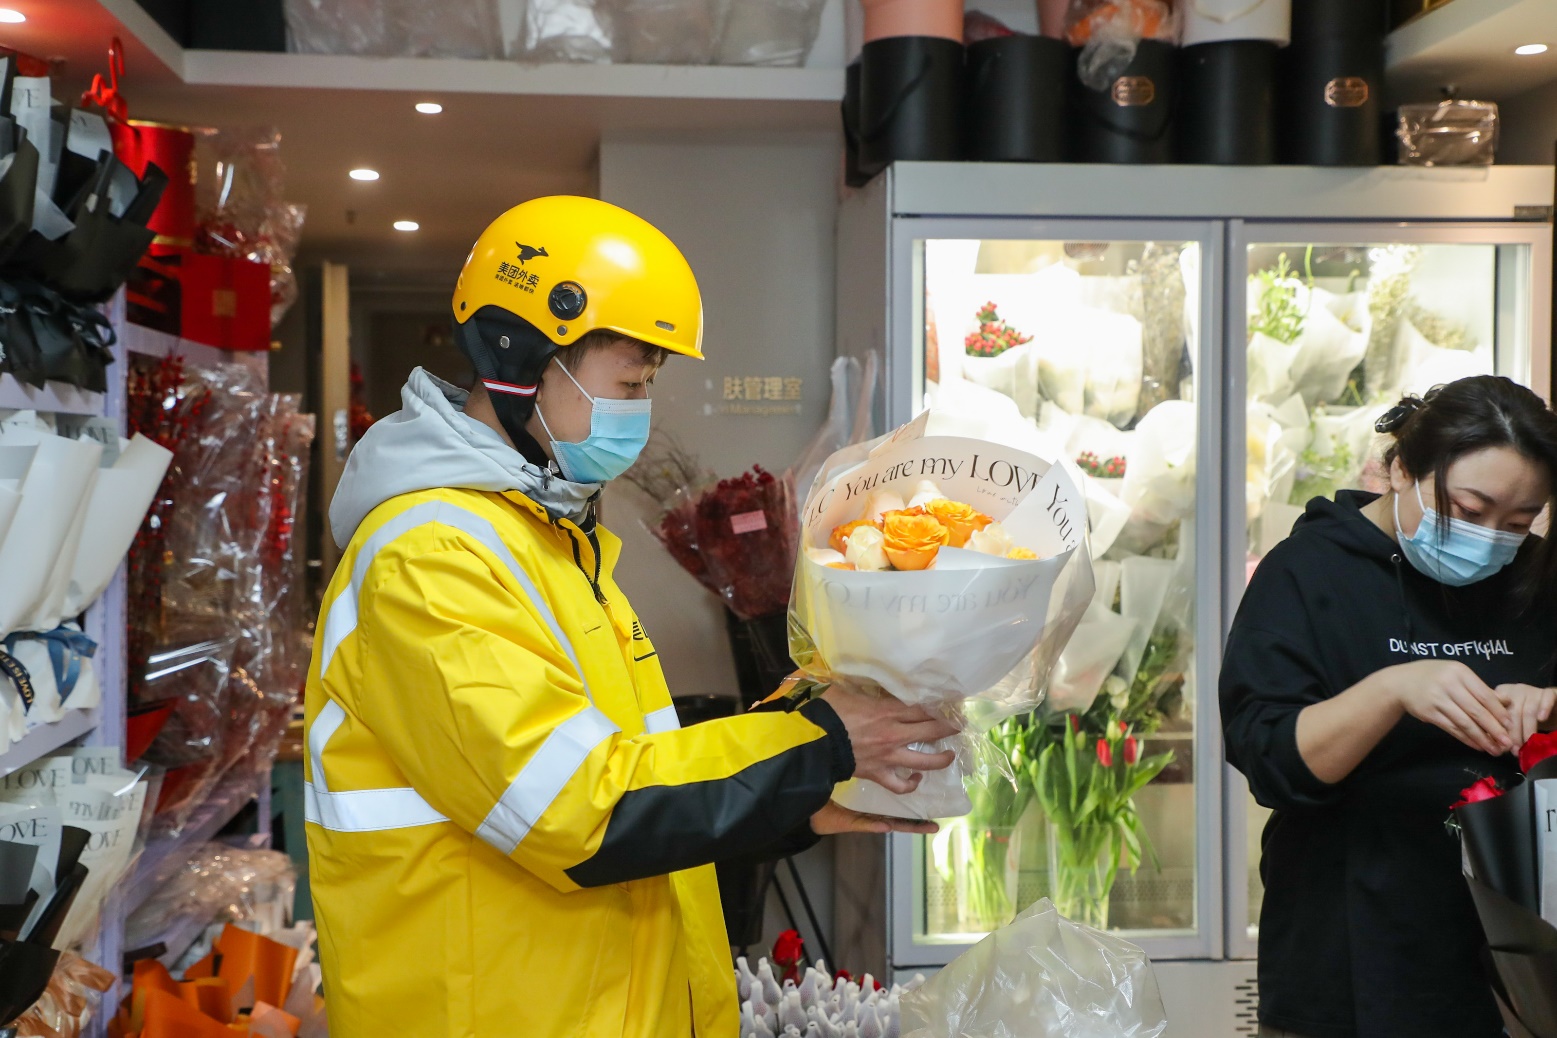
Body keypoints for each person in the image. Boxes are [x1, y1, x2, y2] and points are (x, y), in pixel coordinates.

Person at [302, 196, 958, 1038]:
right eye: (629, 385)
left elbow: (620, 757)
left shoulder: (539, 536)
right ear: (519, 357)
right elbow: (581, 810)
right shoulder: (429, 559)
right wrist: (816, 745)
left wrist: (787, 792)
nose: (639, 412)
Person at [1222, 374, 1557, 1038]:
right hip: (1347, 946)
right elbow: (1271, 761)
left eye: (1516, 524)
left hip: (1517, 951)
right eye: (1467, 509)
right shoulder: (1309, 572)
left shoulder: (1537, 577)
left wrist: (1548, 711)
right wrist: (1391, 690)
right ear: (1401, 468)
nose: (1491, 538)